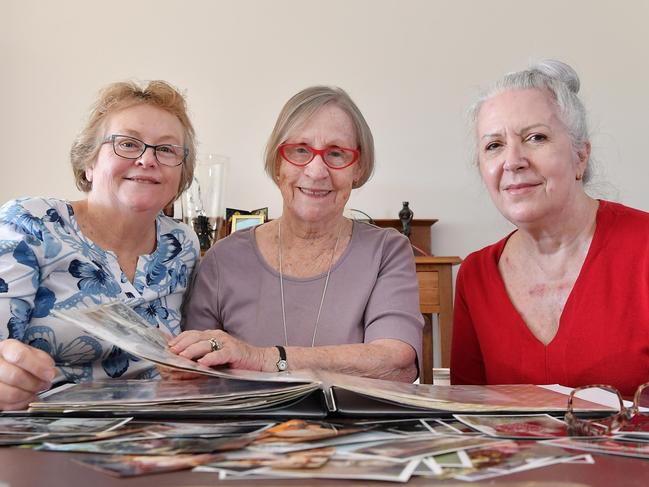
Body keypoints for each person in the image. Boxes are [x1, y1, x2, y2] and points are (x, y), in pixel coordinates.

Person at [169, 86, 422, 382]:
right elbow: (195, 376)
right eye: (300, 150)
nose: (316, 171)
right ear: (278, 163)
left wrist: (264, 358)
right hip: (250, 427)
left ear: (358, 167)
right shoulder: (222, 260)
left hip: (354, 427)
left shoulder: (386, 251)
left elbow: (396, 363)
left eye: (337, 153)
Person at [451, 60, 649, 396]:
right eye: (494, 145)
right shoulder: (476, 275)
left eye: (536, 137)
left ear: (580, 157)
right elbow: (469, 416)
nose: (512, 161)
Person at [0, 80, 200, 410]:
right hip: (42, 432)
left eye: (166, 149)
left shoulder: (181, 244)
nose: (147, 159)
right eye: (127, 143)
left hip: (154, 433)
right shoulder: (31, 222)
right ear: (89, 162)